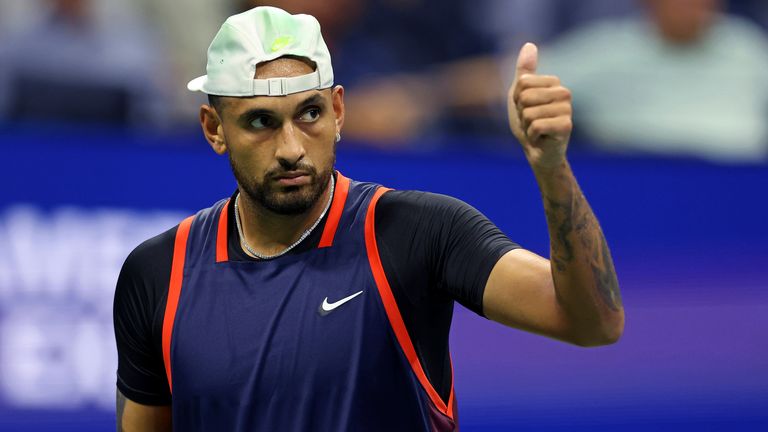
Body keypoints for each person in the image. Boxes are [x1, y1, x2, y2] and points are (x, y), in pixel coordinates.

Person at [113, 6, 624, 431]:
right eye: (261, 122)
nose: (291, 149)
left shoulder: (418, 233)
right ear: (213, 128)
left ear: (338, 110)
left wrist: (551, 167)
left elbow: (592, 322)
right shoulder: (158, 273)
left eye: (308, 114)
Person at [534, 0, 768, 162]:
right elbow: (521, 82)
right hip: (632, 190)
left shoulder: (749, 48)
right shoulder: (606, 49)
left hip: (741, 196)